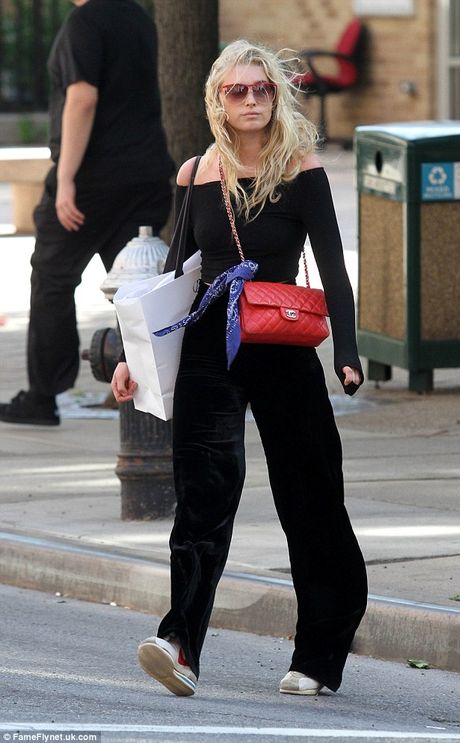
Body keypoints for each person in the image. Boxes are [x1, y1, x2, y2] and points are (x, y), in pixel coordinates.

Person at [111, 39, 367, 698]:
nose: (251, 99)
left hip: (281, 346)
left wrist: (346, 353)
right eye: (238, 90)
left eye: (262, 89)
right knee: (201, 499)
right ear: (217, 100)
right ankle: (179, 643)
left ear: (275, 96)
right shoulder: (196, 173)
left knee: (310, 502)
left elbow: (334, 267)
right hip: (206, 348)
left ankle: (319, 652)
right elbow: (176, 276)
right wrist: (135, 359)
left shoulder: (300, 169)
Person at [0, 0, 173, 426]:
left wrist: (66, 178)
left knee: (53, 278)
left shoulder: (85, 22)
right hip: (145, 175)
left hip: (93, 182)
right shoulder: (138, 18)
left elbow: (82, 98)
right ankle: (149, 392)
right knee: (137, 289)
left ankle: (43, 397)